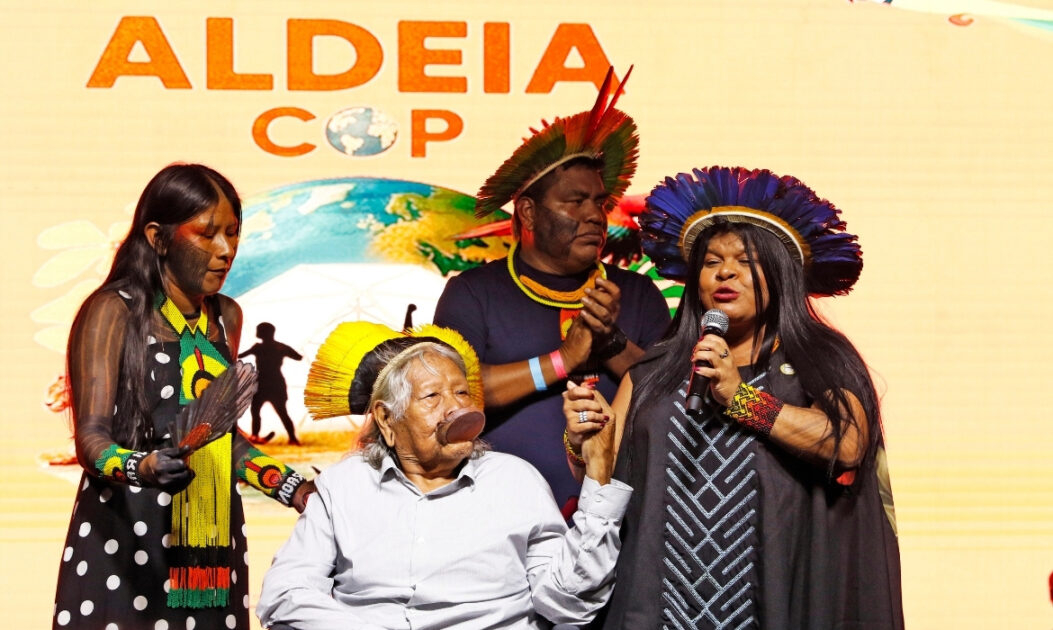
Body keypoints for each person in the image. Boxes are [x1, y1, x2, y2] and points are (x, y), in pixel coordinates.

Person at [564, 166, 904, 628]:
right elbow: (603, 477)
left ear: (780, 273)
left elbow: (847, 442)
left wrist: (740, 398)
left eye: (746, 261)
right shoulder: (654, 373)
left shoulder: (818, 357)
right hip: (660, 605)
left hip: (774, 601)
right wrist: (582, 445)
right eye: (711, 262)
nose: (726, 272)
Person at [53, 163, 315, 630]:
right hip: (129, 534)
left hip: (209, 534)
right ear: (158, 238)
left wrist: (292, 488)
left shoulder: (226, 318)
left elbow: (220, 439)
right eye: (208, 234)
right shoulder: (113, 311)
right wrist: (143, 467)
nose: (226, 250)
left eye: (234, 233)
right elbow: (91, 438)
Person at [256, 321, 631, 630]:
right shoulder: (343, 486)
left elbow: (569, 607)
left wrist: (598, 473)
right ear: (387, 419)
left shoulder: (516, 481)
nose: (456, 409)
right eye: (433, 397)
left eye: (463, 393)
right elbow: (286, 594)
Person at [433, 66, 669, 512]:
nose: (596, 215)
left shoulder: (637, 294)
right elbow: (451, 396)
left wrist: (610, 340)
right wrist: (564, 360)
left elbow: (668, 392)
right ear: (527, 212)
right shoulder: (473, 293)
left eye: (600, 202)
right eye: (575, 202)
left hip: (621, 519)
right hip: (496, 521)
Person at [239, 322, 304, 445]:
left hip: (263, 383)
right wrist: (284, 349)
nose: (256, 332)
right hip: (275, 382)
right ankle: (292, 438)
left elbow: (239, 355)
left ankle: (255, 436)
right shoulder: (279, 347)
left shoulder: (258, 347)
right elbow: (298, 357)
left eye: (259, 330)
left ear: (264, 333)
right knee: (279, 411)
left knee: (257, 411)